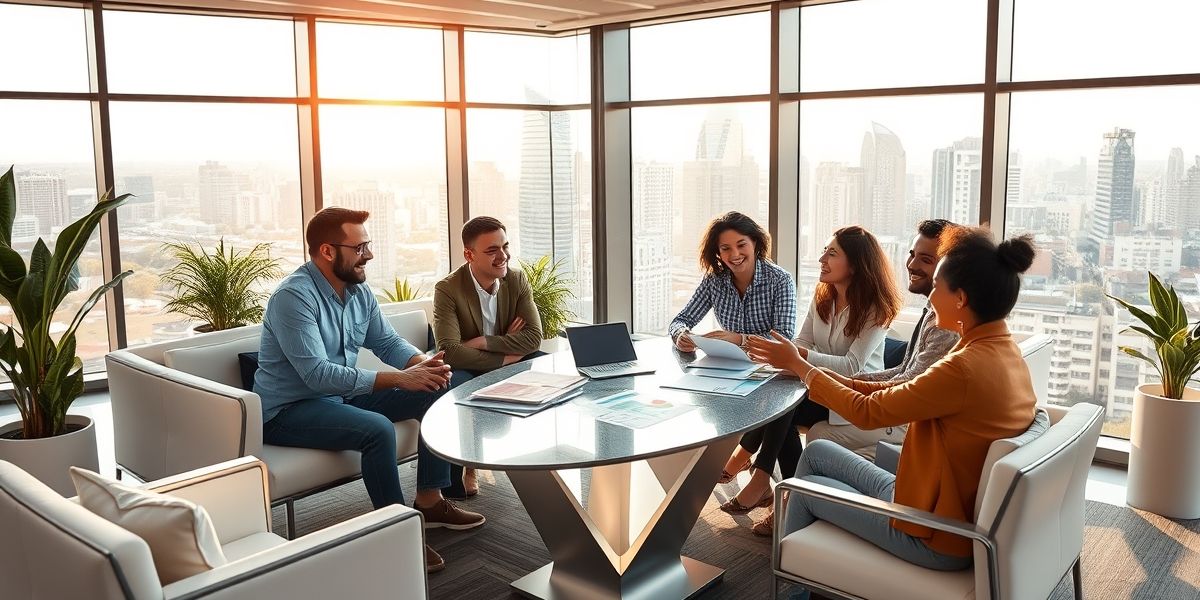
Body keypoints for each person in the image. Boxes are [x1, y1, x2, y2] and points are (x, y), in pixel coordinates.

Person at [746, 228, 1039, 571]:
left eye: (937, 287)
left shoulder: (963, 368)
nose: (930, 299)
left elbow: (869, 413)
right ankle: (810, 566)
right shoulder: (999, 350)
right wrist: (823, 376)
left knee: (804, 488)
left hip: (935, 532)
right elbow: (901, 386)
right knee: (817, 451)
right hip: (925, 497)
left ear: (960, 298)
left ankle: (797, 580)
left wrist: (800, 365)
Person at [254, 207, 484, 575]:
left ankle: (429, 500)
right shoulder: (293, 298)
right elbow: (316, 375)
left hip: (340, 395)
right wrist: (398, 380)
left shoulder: (358, 292)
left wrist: (421, 365)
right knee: (376, 429)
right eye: (359, 247)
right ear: (327, 251)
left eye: (368, 245)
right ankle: (394, 535)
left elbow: (387, 342)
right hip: (289, 411)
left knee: (442, 387)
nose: (369, 255)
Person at [719, 226, 902, 523]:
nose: (821, 259)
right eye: (824, 252)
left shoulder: (876, 308)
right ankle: (783, 492)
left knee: (784, 402)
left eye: (832, 253)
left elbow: (852, 366)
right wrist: (788, 356)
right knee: (780, 396)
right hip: (819, 390)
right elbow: (802, 342)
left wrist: (797, 358)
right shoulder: (823, 297)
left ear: (855, 264)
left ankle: (756, 469)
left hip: (852, 396)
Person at [802, 220, 962, 461]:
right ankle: (770, 483)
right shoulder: (932, 310)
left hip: (904, 421)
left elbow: (909, 386)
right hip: (884, 403)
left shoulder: (946, 326)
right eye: (912, 255)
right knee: (780, 411)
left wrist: (846, 385)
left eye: (926, 260)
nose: (911, 264)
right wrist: (848, 384)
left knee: (815, 435)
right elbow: (904, 373)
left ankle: (782, 487)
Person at [433, 216, 543, 499]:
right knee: (454, 384)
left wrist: (484, 341)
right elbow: (450, 350)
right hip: (468, 366)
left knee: (545, 364)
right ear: (469, 254)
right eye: (492, 250)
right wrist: (505, 356)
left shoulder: (516, 279)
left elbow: (533, 338)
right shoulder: (448, 289)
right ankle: (465, 468)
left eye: (505, 247)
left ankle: (544, 453)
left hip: (487, 355)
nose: (503, 256)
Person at [668, 211, 796, 352]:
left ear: (754, 243)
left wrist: (739, 339)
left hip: (769, 365)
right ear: (718, 252)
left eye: (741, 245)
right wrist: (681, 335)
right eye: (726, 248)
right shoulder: (714, 280)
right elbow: (681, 320)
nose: (735, 254)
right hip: (728, 363)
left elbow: (784, 337)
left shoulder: (780, 281)